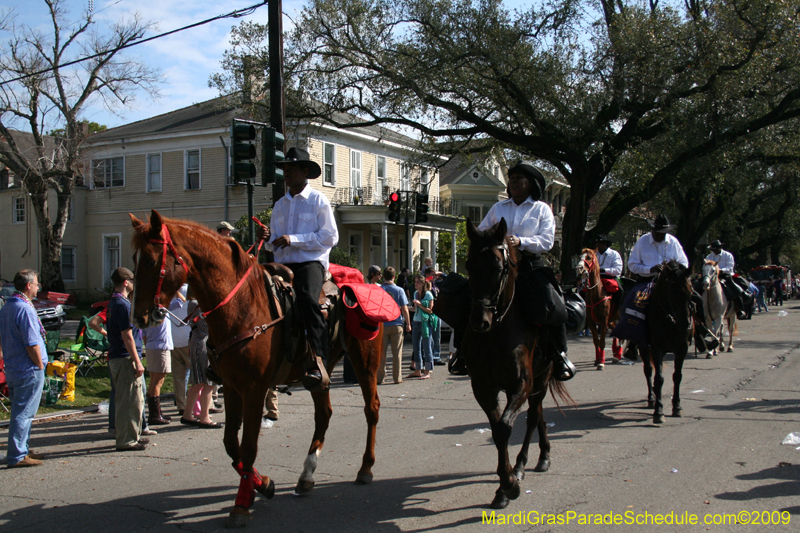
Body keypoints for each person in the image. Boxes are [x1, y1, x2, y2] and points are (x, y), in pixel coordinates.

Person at [477, 162, 575, 381]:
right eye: (511, 179)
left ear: (530, 184)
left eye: (519, 179)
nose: (513, 182)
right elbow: (482, 231)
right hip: (500, 266)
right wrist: (494, 239)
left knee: (552, 303)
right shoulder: (498, 208)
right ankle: (463, 354)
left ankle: (560, 356)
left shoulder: (541, 209)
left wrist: (521, 241)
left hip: (529, 264)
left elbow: (547, 241)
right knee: (473, 295)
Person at [259, 147, 339, 391]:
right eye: (285, 169)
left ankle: (318, 360)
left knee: (306, 299)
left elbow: (330, 236)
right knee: (254, 293)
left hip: (309, 262)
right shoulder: (280, 205)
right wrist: (269, 236)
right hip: (280, 263)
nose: (287, 173)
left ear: (306, 172)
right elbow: (275, 244)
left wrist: (293, 239)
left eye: (292, 169)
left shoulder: (318, 200)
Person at [627, 215, 718, 352]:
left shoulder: (673, 242)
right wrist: (649, 269)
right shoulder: (642, 241)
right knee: (635, 301)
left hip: (672, 279)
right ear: (653, 230)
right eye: (658, 233)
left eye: (663, 233)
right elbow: (632, 265)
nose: (660, 236)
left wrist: (673, 268)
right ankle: (633, 343)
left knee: (696, 299)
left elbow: (684, 262)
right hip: (649, 279)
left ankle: (702, 334)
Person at [0, 269, 47, 467]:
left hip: (13, 366)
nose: (38, 288)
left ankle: (22, 448)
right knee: (24, 412)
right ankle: (17, 455)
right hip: (28, 368)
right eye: (37, 284)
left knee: (20, 410)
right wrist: (39, 364)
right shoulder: (24, 309)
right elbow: (31, 342)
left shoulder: (8, 306)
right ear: (28, 285)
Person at [88, 310, 156, 438]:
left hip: (123, 354)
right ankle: (124, 428)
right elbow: (93, 322)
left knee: (132, 392)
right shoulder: (118, 307)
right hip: (123, 355)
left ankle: (136, 426)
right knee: (125, 392)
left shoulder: (122, 306)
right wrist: (106, 334)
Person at [106, 267, 149, 451]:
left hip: (120, 356)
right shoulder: (122, 305)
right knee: (128, 401)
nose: (133, 284)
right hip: (125, 357)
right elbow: (127, 335)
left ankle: (133, 434)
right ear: (125, 282)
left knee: (133, 399)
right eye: (131, 280)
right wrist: (137, 361)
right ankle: (126, 440)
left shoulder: (116, 302)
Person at [180, 298, 222, 429]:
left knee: (198, 383)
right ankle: (204, 417)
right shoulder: (200, 303)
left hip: (197, 340)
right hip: (204, 342)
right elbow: (206, 325)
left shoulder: (193, 303)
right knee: (208, 383)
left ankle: (187, 415)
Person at [379, 267, 412, 384]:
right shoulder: (399, 290)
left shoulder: (380, 289)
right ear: (394, 277)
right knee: (397, 353)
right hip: (396, 323)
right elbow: (404, 308)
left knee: (381, 353)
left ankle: (380, 377)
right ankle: (397, 378)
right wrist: (408, 323)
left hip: (382, 324)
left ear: (384, 276)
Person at [142, 312, 173, 425]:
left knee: (154, 381)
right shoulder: (162, 311)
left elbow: (144, 334)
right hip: (161, 347)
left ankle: (156, 412)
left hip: (151, 346)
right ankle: (155, 415)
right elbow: (180, 302)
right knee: (158, 382)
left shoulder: (148, 315)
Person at [705, 240, 747, 319]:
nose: (714, 251)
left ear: (719, 248)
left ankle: (740, 309)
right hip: (712, 275)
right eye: (713, 249)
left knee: (734, 289)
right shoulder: (709, 256)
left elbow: (730, 267)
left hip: (725, 275)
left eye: (715, 249)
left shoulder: (728, 255)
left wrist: (720, 270)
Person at [169, 284, 191, 413]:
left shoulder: (166, 291)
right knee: (198, 374)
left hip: (172, 337)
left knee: (178, 376)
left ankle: (181, 404)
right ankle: (204, 403)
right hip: (186, 337)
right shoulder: (189, 290)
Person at [409, 275, 436, 379]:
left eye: (418, 282)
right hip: (416, 322)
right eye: (415, 282)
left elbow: (430, 310)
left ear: (423, 284)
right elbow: (415, 309)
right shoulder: (416, 294)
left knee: (427, 347)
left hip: (425, 324)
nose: (416, 284)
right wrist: (405, 309)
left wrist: (420, 305)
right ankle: (418, 370)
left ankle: (427, 371)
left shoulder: (429, 294)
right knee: (416, 347)